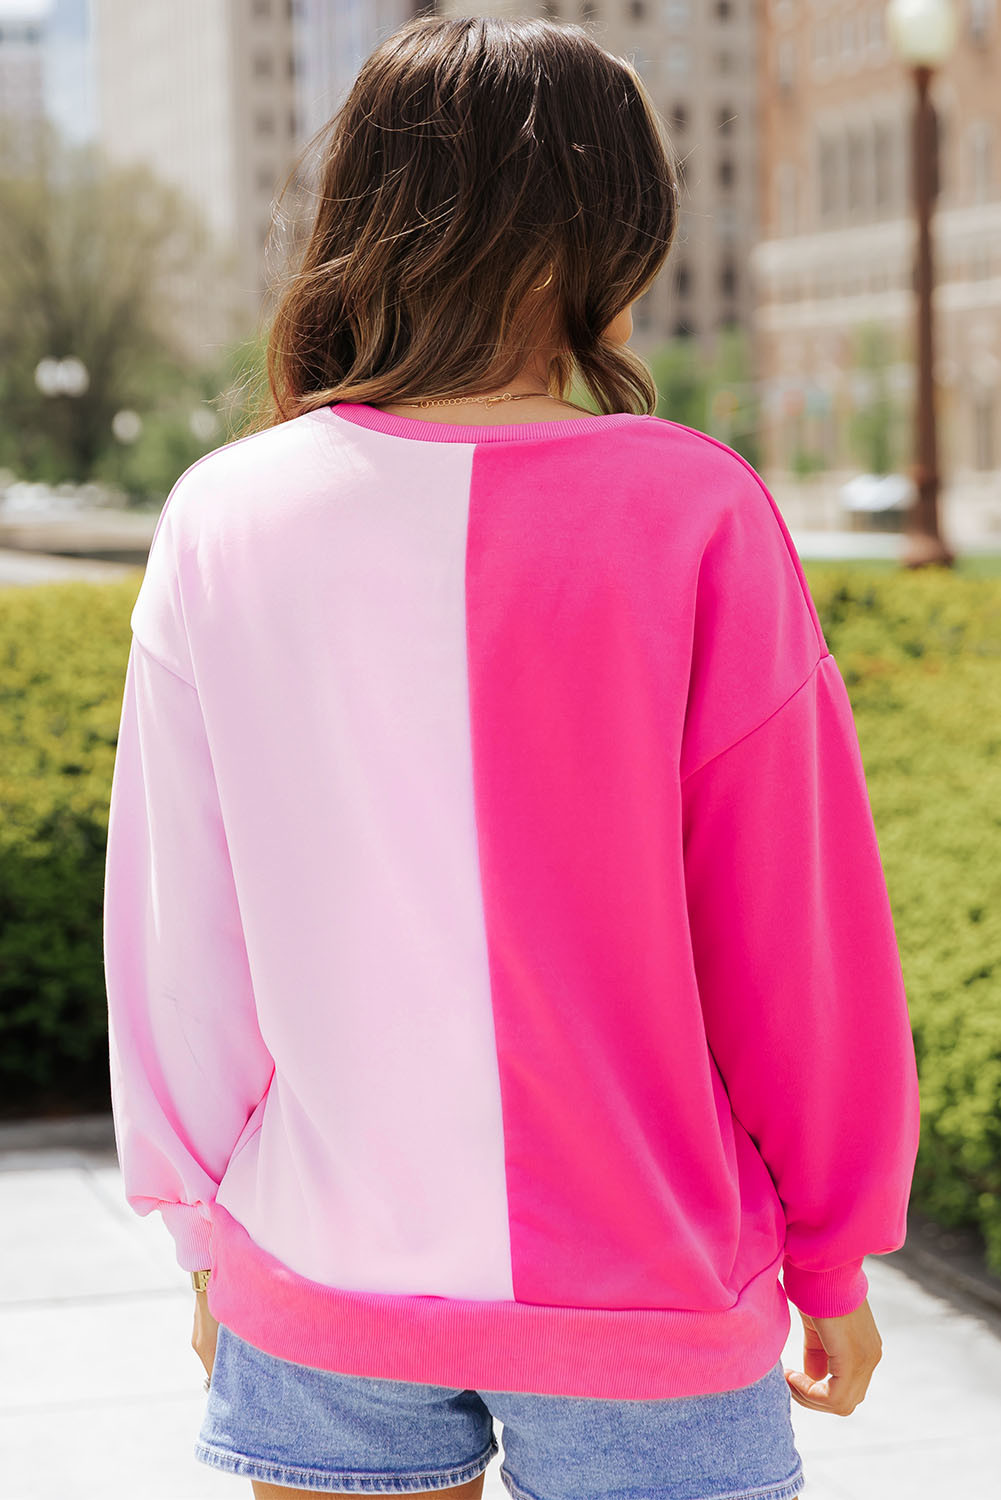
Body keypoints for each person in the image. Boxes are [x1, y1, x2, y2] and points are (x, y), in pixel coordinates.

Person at [102, 14, 921, 1500]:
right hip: (646, 1283)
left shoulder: (223, 514)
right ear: (620, 225)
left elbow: (179, 936)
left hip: (318, 1269)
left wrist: (204, 1237)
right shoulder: (695, 511)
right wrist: (832, 1247)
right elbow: (792, 935)